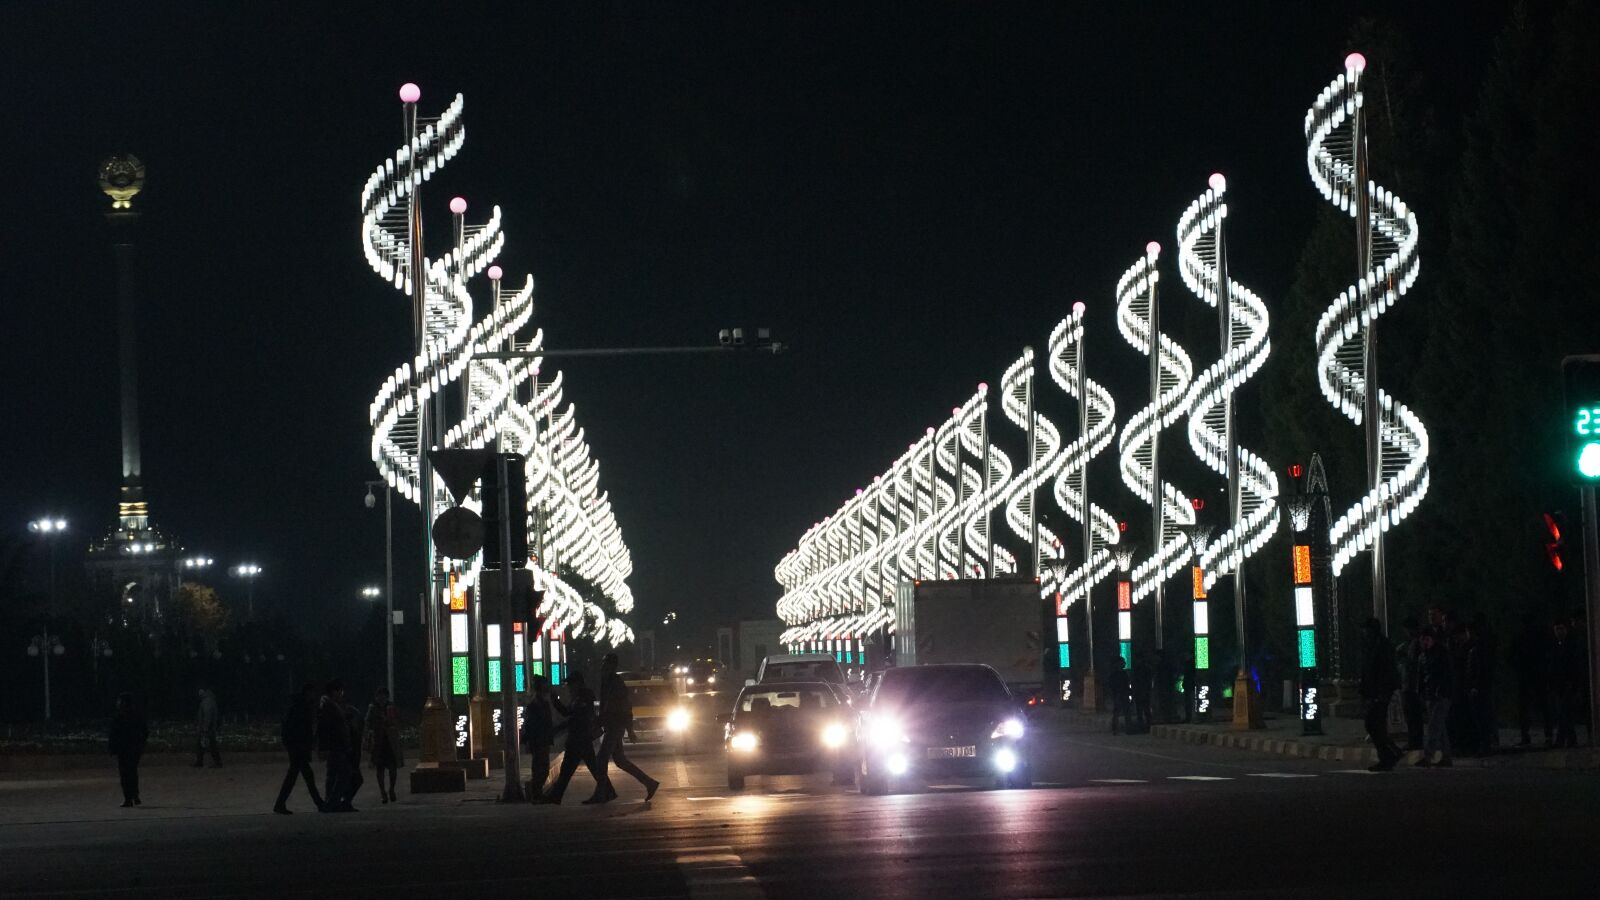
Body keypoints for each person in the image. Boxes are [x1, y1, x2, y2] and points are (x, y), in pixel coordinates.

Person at [589, 653, 660, 803]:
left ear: (611, 665)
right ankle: (649, 783)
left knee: (601, 760)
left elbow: (625, 708)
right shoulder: (607, 681)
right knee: (620, 760)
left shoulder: (616, 683)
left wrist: (630, 730)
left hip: (616, 725)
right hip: (611, 725)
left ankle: (602, 793)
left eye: (605, 663)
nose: (602, 666)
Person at [544, 672, 605, 804]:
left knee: (571, 769)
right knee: (572, 769)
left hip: (580, 739)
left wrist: (558, 729)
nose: (569, 687)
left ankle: (556, 796)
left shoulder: (584, 697)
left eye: (570, 684)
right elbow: (568, 713)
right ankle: (607, 791)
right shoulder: (578, 697)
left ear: (578, 683)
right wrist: (555, 700)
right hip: (579, 739)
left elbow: (575, 718)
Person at [274, 683, 326, 814]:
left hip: (296, 747)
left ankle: (281, 803)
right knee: (303, 777)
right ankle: (318, 803)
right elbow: (301, 730)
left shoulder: (298, 707)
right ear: (308, 693)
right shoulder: (301, 708)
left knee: (299, 776)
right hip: (299, 748)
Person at [1359, 617, 1403, 771]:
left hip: (1381, 692)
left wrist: (1383, 691)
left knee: (1374, 723)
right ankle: (1390, 753)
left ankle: (1389, 754)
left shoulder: (1382, 647)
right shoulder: (1370, 646)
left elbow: (1386, 671)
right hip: (1374, 691)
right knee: (1374, 725)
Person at [1509, 612, 1550, 747]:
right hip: (1538, 674)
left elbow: (1511, 656)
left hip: (1525, 675)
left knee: (1525, 707)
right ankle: (1548, 734)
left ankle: (1525, 735)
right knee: (1544, 704)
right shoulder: (1540, 634)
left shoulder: (1520, 635)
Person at [1418, 629, 1454, 767]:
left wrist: (1442, 690)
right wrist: (1421, 692)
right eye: (1423, 640)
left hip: (1442, 695)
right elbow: (1421, 676)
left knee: (1434, 726)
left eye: (1427, 639)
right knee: (1440, 727)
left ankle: (1428, 756)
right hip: (1430, 695)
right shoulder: (1423, 656)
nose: (1425, 642)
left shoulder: (1441, 654)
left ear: (1432, 640)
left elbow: (1447, 674)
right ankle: (1446, 757)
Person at [318, 679, 356, 811]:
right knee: (345, 774)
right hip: (336, 746)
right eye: (340, 691)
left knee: (333, 775)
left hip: (336, 746)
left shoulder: (331, 705)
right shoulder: (330, 706)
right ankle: (333, 802)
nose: (342, 694)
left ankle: (331, 802)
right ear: (334, 691)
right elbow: (330, 727)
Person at [108, 693, 148, 808]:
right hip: (133, 748)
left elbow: (113, 734)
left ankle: (128, 798)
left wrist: (112, 747)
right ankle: (134, 795)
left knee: (125, 774)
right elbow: (145, 731)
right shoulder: (136, 715)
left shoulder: (119, 717)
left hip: (125, 749)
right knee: (132, 772)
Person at [364, 687, 403, 804]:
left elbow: (397, 720)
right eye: (379, 696)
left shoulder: (391, 707)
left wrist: (389, 722)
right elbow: (367, 722)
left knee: (392, 767)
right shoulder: (372, 708)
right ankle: (383, 792)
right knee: (380, 768)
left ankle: (391, 789)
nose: (381, 698)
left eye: (383, 696)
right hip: (378, 741)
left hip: (390, 740)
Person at [522, 675, 556, 801]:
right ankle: (537, 794)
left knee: (543, 768)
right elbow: (532, 724)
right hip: (538, 741)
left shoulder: (543, 703)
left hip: (542, 740)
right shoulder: (536, 704)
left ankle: (538, 793)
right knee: (539, 768)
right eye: (545, 685)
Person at [1549, 619, 1583, 748]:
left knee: (1564, 711)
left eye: (1561, 629)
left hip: (1567, 683)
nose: (1559, 632)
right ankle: (1566, 739)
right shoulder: (1556, 645)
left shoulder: (1570, 646)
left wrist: (1573, 682)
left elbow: (1574, 666)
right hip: (1559, 684)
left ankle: (1565, 739)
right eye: (1557, 629)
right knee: (1564, 712)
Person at [1397, 616, 1426, 751]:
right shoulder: (1409, 643)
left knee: (1414, 715)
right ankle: (1414, 741)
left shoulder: (1417, 643)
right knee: (1410, 715)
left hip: (1413, 684)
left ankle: (1416, 741)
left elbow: (1414, 663)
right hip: (1407, 683)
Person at [194, 687, 222, 768]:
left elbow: (207, 716)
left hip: (208, 728)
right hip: (209, 728)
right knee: (202, 744)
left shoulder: (206, 701)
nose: (199, 693)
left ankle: (217, 763)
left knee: (211, 745)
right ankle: (200, 762)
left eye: (200, 691)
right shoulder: (209, 700)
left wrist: (204, 728)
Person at [1108, 656, 1133, 736]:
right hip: (1119, 695)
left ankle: (1127, 728)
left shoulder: (1122, 673)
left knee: (1125, 712)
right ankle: (1116, 729)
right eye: (1123, 662)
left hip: (1123, 694)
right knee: (1118, 712)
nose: (1124, 664)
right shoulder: (1116, 674)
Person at [1130, 654, 1153, 734]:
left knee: (1143, 711)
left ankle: (1144, 726)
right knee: (1144, 710)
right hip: (1143, 692)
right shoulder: (1146, 669)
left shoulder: (1139, 669)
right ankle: (1146, 726)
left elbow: (1134, 681)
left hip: (1141, 692)